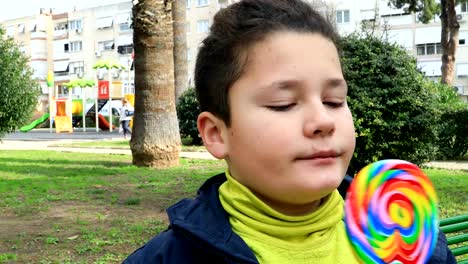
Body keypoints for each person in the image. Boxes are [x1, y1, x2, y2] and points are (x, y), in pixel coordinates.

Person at [124, 0, 455, 263]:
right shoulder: (170, 257)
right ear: (216, 133)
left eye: (334, 100)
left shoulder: (409, 237)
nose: (323, 121)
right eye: (283, 104)